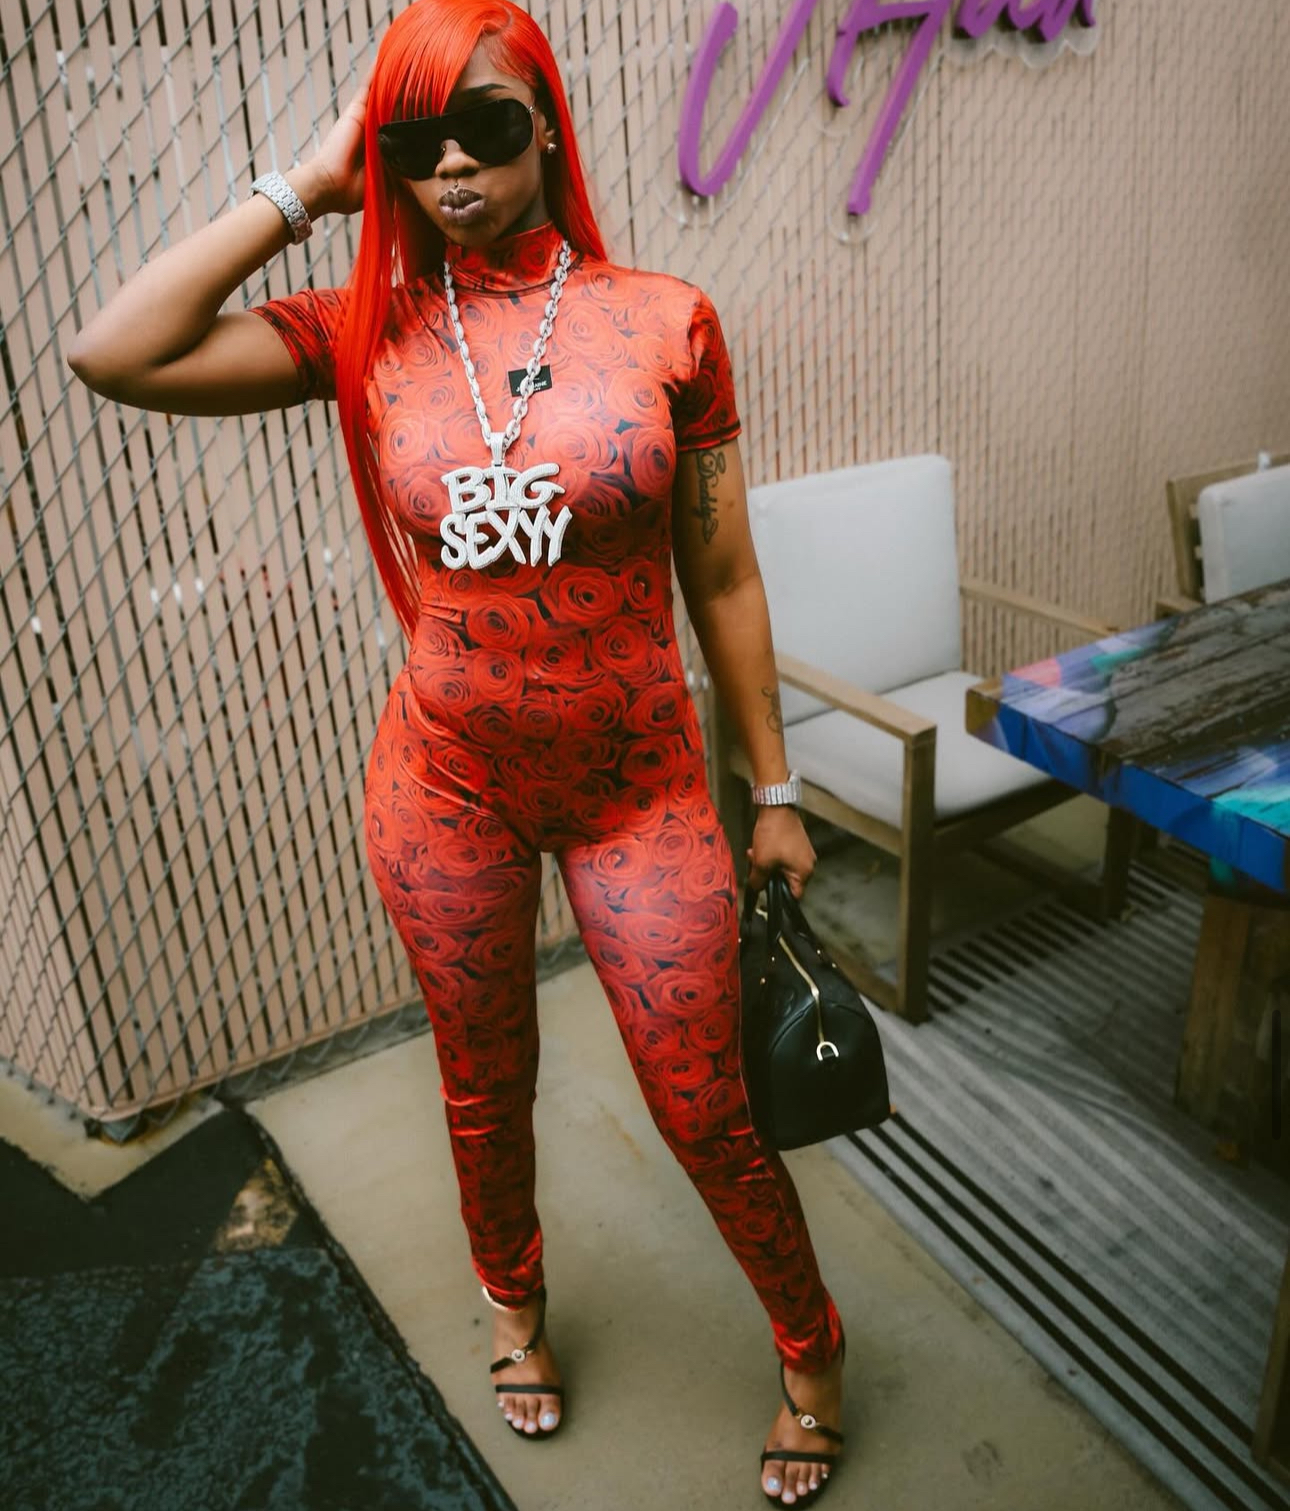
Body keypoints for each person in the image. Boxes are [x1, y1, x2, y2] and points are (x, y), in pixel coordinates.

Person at [67, 1, 846, 1501]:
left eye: (485, 128)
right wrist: (310, 184)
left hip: (639, 789)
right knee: (483, 1083)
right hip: (446, 789)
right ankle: (514, 1307)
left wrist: (777, 789)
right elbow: (115, 352)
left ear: (545, 122)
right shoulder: (365, 329)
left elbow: (725, 576)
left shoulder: (665, 320)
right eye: (414, 143)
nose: (453, 170)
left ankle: (811, 1348)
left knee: (704, 1101)